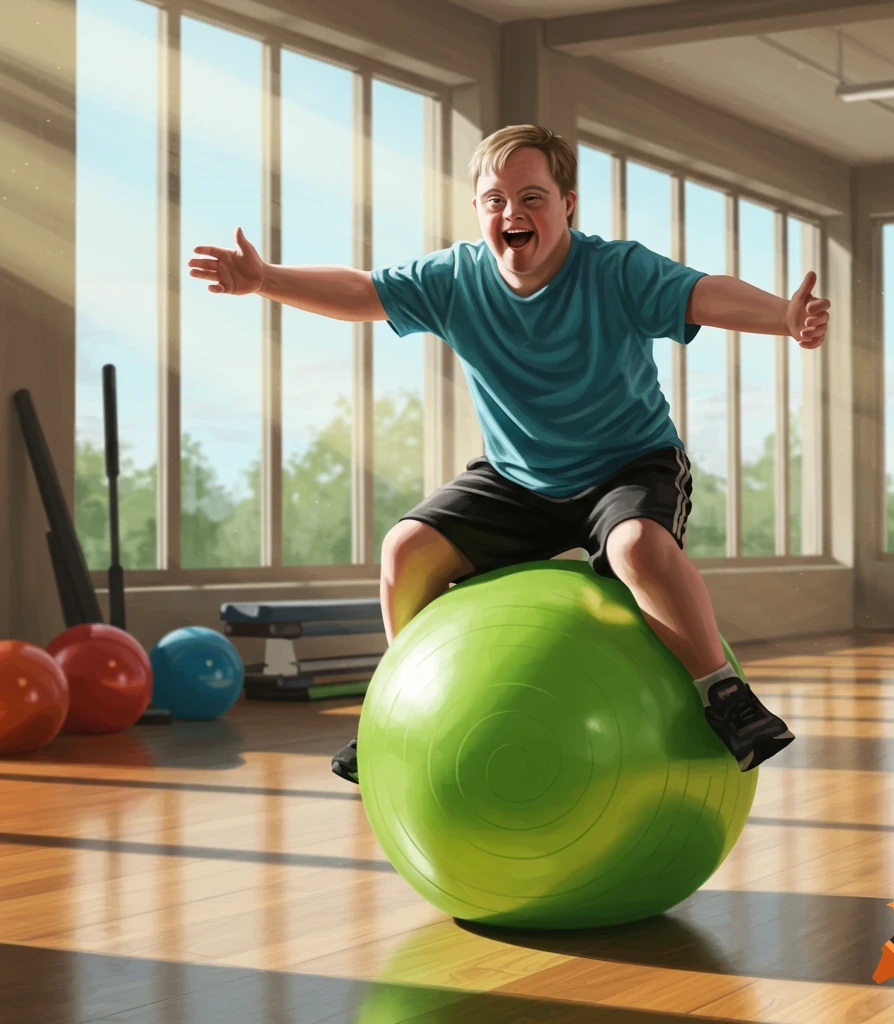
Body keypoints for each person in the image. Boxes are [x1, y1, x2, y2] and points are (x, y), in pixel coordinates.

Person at [189, 124, 829, 782]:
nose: (513, 214)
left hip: (629, 463)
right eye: (495, 200)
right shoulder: (456, 277)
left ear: (568, 204)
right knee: (405, 550)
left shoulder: (614, 270)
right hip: (518, 477)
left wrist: (783, 315)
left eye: (532, 198)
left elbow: (700, 293)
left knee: (637, 549)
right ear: (477, 211)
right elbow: (363, 292)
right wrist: (265, 279)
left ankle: (724, 695)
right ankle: (398, 707)